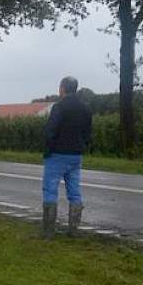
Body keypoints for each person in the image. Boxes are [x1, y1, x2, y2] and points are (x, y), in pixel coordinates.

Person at [42, 76, 93, 239]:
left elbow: (50, 130)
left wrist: (47, 150)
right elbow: (87, 133)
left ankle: (49, 231)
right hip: (75, 155)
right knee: (75, 192)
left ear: (63, 88)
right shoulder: (85, 108)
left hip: (57, 155)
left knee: (50, 190)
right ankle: (73, 230)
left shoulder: (59, 107)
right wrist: (81, 146)